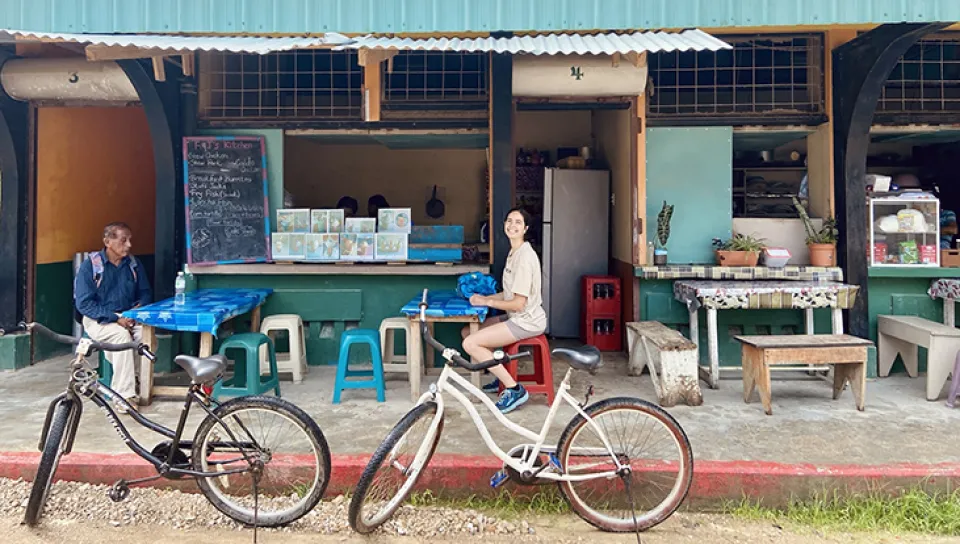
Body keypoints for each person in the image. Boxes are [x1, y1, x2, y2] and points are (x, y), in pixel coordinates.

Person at [461, 208, 546, 414]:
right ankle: (500, 376)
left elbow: (518, 303)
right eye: (509, 221)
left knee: (470, 343)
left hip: (526, 321)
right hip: (515, 317)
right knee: (467, 331)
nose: (512, 225)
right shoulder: (514, 252)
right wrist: (485, 299)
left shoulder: (525, 257)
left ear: (525, 228)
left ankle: (513, 388)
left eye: (518, 222)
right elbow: (508, 294)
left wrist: (488, 303)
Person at [74, 222, 152, 413]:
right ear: (107, 242)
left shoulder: (133, 264)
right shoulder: (91, 266)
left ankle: (141, 384)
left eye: (129, 240)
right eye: (123, 240)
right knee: (121, 338)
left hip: (128, 315)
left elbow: (146, 292)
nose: (129, 245)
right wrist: (115, 319)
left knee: (146, 336)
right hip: (98, 318)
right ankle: (124, 396)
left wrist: (136, 310)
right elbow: (84, 304)